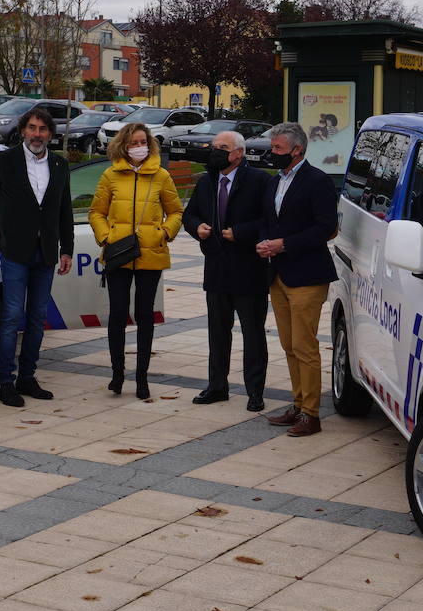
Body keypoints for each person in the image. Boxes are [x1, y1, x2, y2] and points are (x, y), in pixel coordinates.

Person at [0, 108, 73, 407]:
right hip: (14, 250)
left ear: (50, 134)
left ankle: (28, 377)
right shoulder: (6, 161)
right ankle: (6, 382)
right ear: (23, 131)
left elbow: (63, 210)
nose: (37, 134)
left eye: (42, 129)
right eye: (32, 128)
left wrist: (67, 248)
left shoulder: (59, 164)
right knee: (13, 316)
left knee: (38, 318)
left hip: (46, 253)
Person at [90, 122, 183, 399]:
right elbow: (96, 212)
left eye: (142, 141)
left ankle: (142, 378)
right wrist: (107, 237)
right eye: (133, 143)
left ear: (150, 144)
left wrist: (164, 233)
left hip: (150, 254)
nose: (138, 147)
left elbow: (176, 212)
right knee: (117, 314)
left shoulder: (162, 176)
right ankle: (117, 374)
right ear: (123, 145)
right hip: (118, 253)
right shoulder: (110, 176)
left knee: (145, 316)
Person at [256, 122, 338, 437]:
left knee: (305, 347)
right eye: (272, 147)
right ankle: (298, 403)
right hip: (278, 273)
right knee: (290, 345)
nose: (271, 153)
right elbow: (268, 219)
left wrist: (284, 244)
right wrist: (265, 242)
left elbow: (324, 227)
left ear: (297, 150)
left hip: (307, 275)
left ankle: (312, 415)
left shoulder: (317, 182)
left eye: (277, 148)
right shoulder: (275, 181)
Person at [182, 130, 268, 412]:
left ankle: (255, 391)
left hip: (248, 269)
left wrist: (241, 233)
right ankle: (217, 386)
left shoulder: (259, 181)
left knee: (252, 333)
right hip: (216, 267)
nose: (215, 151)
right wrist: (197, 228)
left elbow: (269, 220)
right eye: (214, 146)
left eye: (222, 147)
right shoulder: (207, 181)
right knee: (218, 332)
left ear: (238, 153)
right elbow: (189, 214)